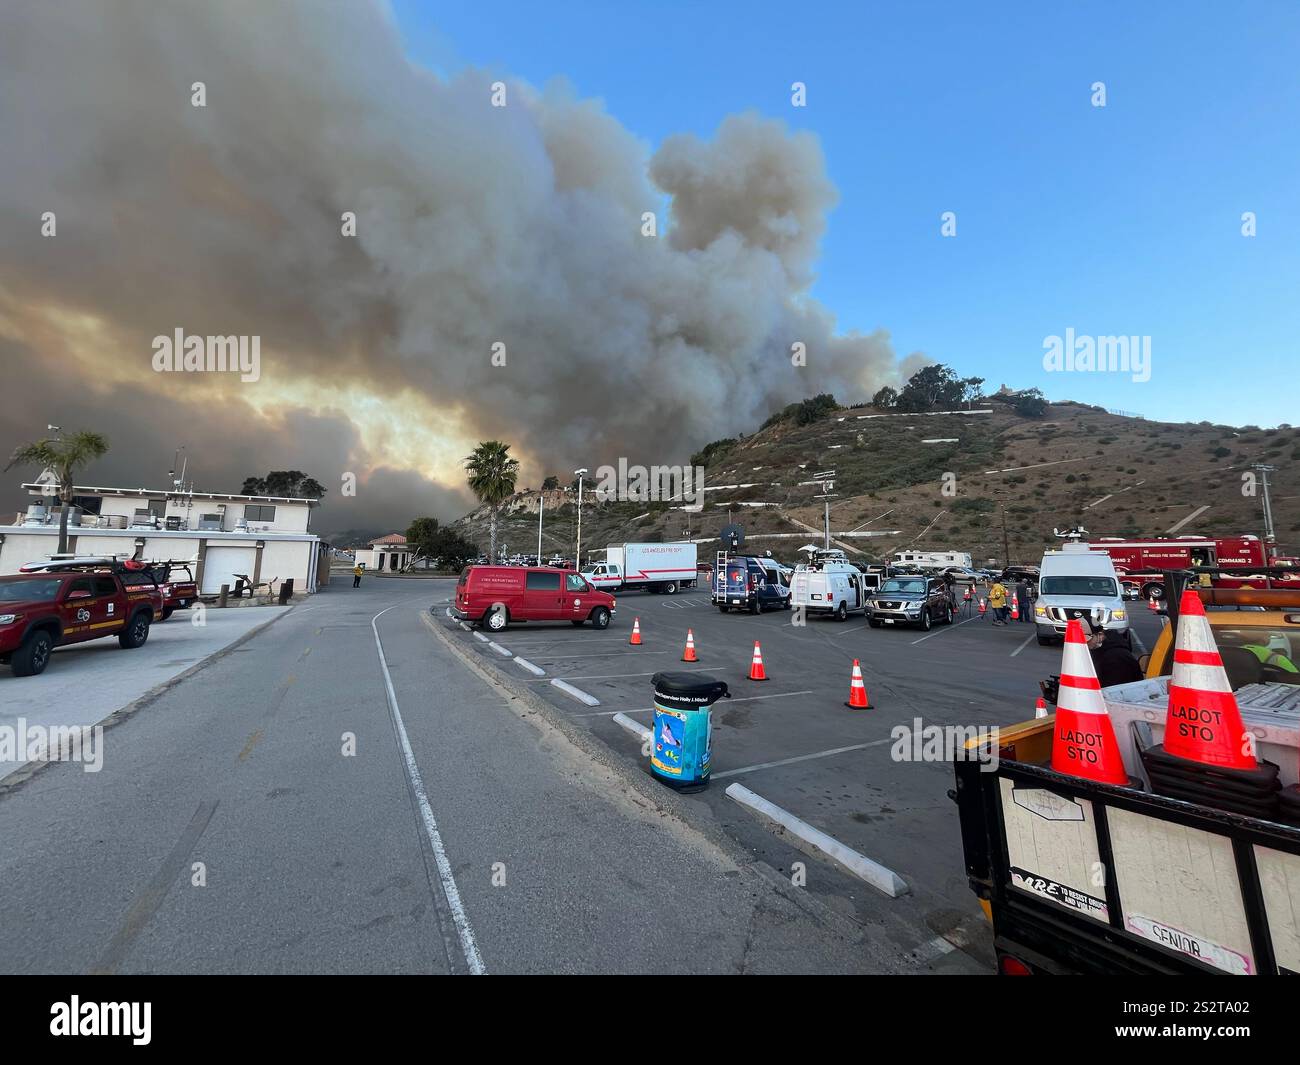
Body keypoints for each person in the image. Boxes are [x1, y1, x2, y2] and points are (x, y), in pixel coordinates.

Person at [1087, 620, 1144, 688]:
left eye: (1088, 640)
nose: (1085, 643)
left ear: (1100, 636)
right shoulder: (1099, 650)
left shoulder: (1116, 659)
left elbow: (1114, 690)